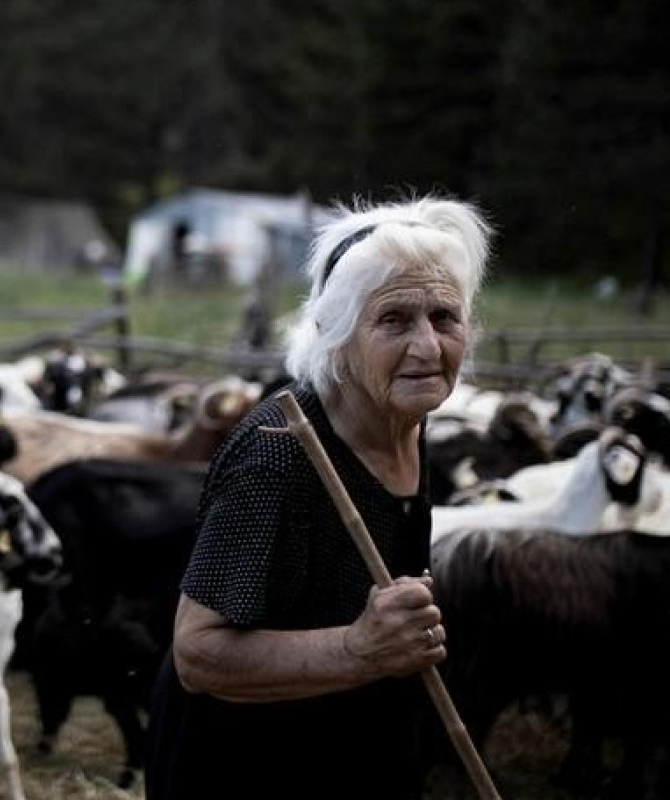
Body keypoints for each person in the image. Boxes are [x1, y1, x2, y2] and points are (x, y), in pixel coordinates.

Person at [146, 198, 492, 799]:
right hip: (247, 766)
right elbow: (197, 655)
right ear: (335, 337)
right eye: (393, 320)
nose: (429, 347)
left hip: (349, 746)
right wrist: (359, 649)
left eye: (444, 317)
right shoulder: (279, 457)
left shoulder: (406, 416)